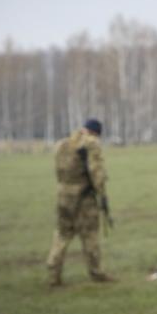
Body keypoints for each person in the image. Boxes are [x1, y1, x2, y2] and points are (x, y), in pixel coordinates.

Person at [46, 118, 113, 286]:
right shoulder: (91, 143)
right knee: (90, 235)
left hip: (63, 196)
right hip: (84, 198)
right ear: (96, 133)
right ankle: (96, 272)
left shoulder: (63, 143)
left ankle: (53, 272)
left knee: (62, 233)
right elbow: (96, 171)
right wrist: (102, 194)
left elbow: (59, 171)